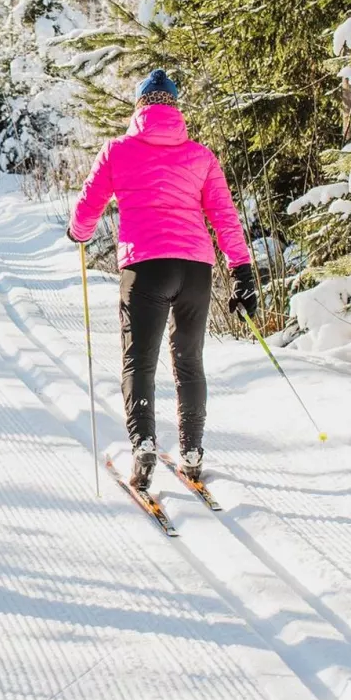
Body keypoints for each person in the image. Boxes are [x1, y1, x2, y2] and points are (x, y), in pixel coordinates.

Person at [66, 68, 256, 491]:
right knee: (189, 360)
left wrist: (78, 233)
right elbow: (225, 217)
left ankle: (144, 444)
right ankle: (192, 451)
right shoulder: (201, 157)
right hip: (195, 270)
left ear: (139, 107)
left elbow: (88, 206)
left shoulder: (117, 150)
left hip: (146, 267)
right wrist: (242, 271)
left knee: (140, 360)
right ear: (175, 108)